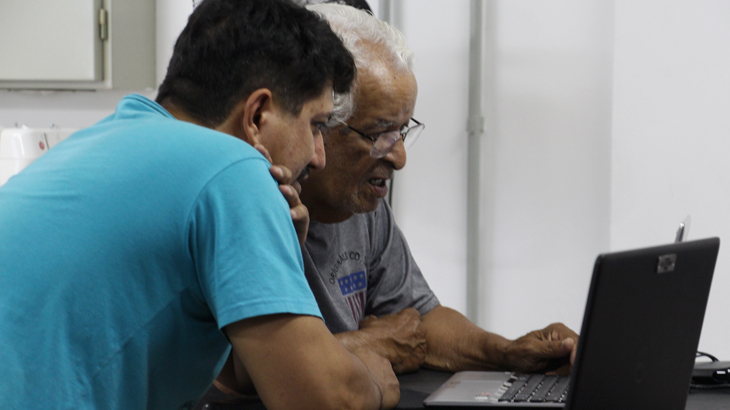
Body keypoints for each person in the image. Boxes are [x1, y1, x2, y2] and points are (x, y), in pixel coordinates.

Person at [0, 1, 400, 409]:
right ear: (257, 115)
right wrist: (370, 379)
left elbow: (244, 372)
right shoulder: (234, 167)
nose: (319, 156)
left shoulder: (110, 137)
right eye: (315, 125)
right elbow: (326, 399)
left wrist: (282, 260)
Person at [294, 3, 580, 376]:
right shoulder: (253, 206)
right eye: (379, 134)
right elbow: (247, 368)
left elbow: (419, 320)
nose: (398, 157)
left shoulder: (362, 205)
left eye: (402, 131)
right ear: (317, 122)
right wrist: (366, 344)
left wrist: (506, 352)